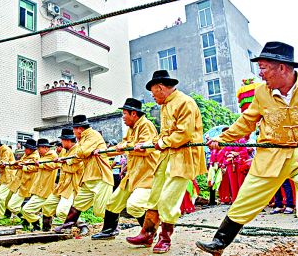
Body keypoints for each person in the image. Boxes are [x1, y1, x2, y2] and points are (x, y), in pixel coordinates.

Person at [196, 41, 298, 255]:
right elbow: (247, 121)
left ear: (281, 67)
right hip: (271, 154)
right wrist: (223, 138)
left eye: (263, 68)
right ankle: (219, 242)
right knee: (247, 197)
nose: (260, 74)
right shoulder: (261, 93)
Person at [126, 70, 206, 253]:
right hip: (167, 156)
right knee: (154, 196)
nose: (152, 96)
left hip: (183, 157)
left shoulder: (185, 102)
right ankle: (147, 233)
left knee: (167, 199)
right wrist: (149, 145)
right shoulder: (165, 106)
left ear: (160, 87)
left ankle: (165, 238)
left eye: (153, 92)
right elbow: (164, 136)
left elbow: (183, 134)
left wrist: (160, 143)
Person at [92, 98, 160, 240]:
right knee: (113, 202)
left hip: (147, 174)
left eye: (124, 114)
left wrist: (126, 146)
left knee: (135, 205)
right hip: (133, 175)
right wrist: (103, 151)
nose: (123, 117)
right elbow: (122, 147)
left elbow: (145, 148)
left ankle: (149, 233)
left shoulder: (146, 125)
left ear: (133, 114)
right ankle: (109, 230)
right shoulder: (131, 129)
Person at [55, 115, 114, 233]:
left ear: (79, 129)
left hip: (100, 176)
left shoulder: (93, 135)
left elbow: (81, 152)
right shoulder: (83, 139)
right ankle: (67, 225)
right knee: (78, 203)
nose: (73, 133)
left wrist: (70, 158)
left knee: (100, 211)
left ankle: (113, 228)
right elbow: (79, 156)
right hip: (88, 177)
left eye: (74, 130)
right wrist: (69, 159)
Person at [43, 129, 86, 233]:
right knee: (47, 206)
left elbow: (73, 169)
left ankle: (82, 225)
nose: (61, 143)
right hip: (62, 184)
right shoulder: (63, 151)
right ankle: (46, 229)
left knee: (62, 211)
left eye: (62, 140)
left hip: (71, 185)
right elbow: (59, 165)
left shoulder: (78, 151)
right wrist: (58, 162)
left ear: (67, 140)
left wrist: (62, 163)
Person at [21, 139, 58, 231]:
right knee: (49, 210)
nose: (37, 150)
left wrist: (39, 164)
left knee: (27, 209)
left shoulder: (52, 155)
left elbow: (52, 165)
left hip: (45, 189)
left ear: (45, 148)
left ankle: (37, 224)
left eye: (39, 148)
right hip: (40, 189)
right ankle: (43, 227)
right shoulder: (42, 156)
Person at [7, 139, 40, 227]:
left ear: (31, 149)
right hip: (19, 182)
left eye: (26, 148)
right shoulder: (26, 155)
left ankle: (33, 221)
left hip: (27, 183)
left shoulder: (36, 157)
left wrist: (24, 167)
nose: (25, 150)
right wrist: (16, 164)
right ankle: (26, 219)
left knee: (12, 206)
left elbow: (35, 168)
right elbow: (19, 164)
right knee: (12, 206)